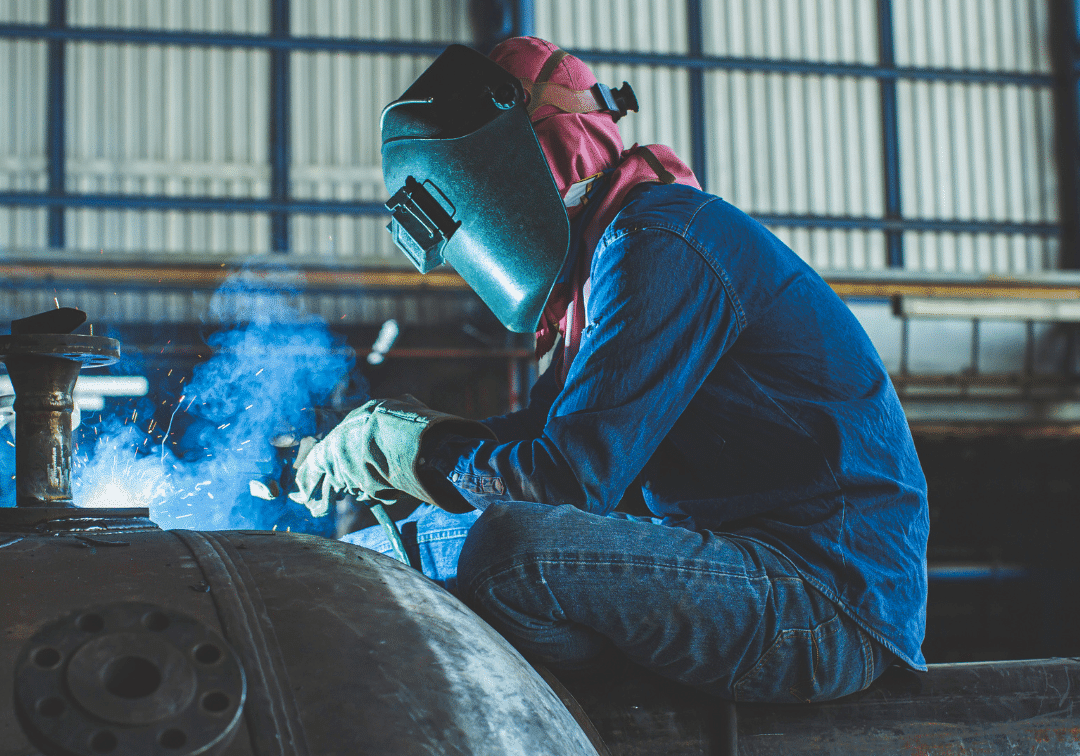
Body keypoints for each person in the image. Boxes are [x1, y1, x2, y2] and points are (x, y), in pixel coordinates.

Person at [293, 37, 929, 703]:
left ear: (526, 161)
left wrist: (413, 451)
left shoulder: (658, 241)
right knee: (381, 551)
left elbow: (563, 479)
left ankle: (596, 719)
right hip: (739, 570)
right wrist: (400, 456)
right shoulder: (599, 282)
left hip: (824, 598)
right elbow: (533, 445)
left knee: (506, 553)